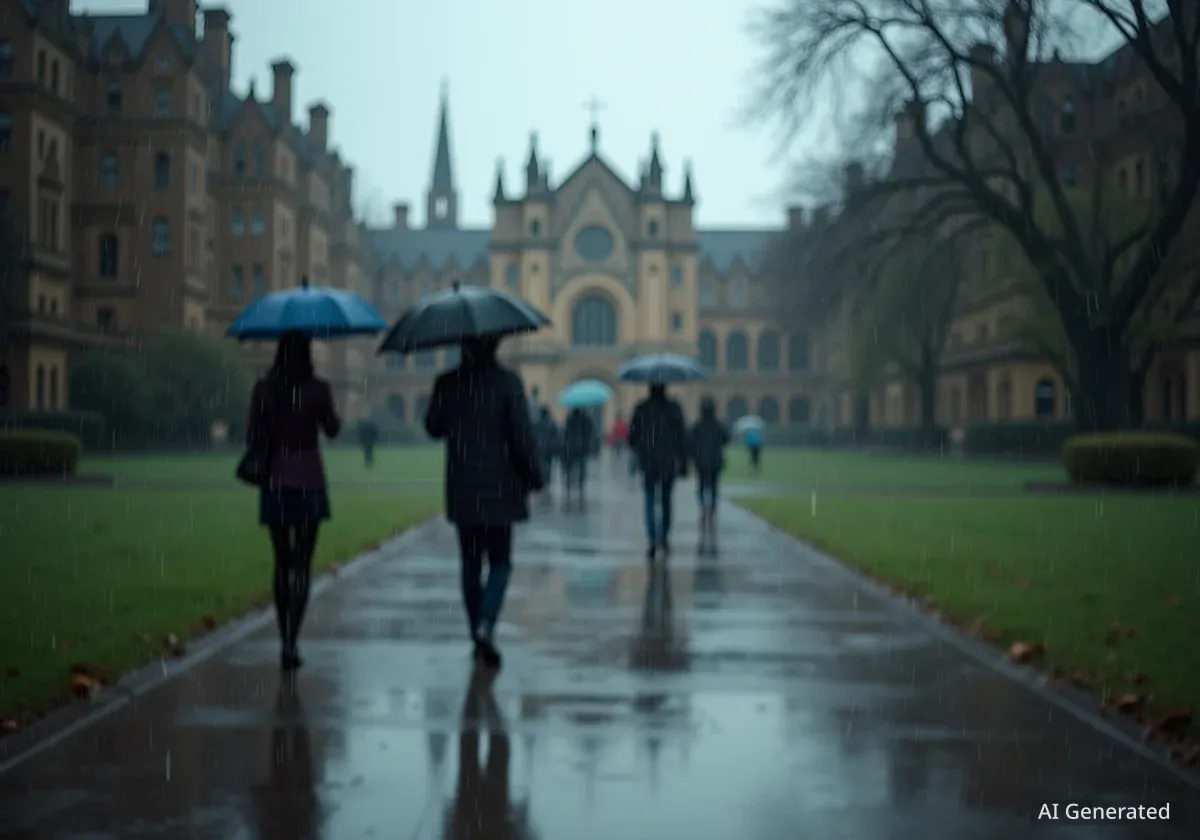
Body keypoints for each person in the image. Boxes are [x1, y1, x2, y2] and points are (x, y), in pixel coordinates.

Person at [425, 335, 543, 670]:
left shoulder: (448, 383)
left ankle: (476, 629)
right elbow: (522, 436)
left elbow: (433, 427)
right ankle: (486, 624)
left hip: (464, 484)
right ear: (495, 346)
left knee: (471, 564)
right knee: (501, 562)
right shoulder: (508, 383)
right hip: (501, 486)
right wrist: (534, 476)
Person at [246, 331, 341, 670]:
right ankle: (291, 642)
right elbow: (332, 430)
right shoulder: (317, 389)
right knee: (302, 564)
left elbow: (252, 436)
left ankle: (282, 634)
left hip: (276, 480)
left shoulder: (264, 389)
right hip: (309, 481)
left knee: (281, 560)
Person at [628, 383, 688, 559]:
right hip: (668, 462)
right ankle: (664, 537)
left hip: (648, 461)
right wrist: (683, 462)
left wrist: (642, 447)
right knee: (666, 500)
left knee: (649, 499)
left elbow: (632, 437)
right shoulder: (674, 409)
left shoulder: (641, 408)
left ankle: (653, 538)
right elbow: (681, 439)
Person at [689, 398, 730, 539]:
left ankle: (703, 509)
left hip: (701, 462)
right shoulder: (718, 425)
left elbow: (690, 442)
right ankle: (711, 511)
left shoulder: (697, 426)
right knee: (713, 486)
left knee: (701, 485)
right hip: (715, 462)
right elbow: (726, 439)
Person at [560, 407, 596, 501]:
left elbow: (565, 432)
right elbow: (590, 432)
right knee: (582, 465)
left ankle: (568, 481)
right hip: (582, 447)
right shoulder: (586, 419)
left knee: (569, 465)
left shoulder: (569, 419)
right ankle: (580, 483)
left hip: (571, 447)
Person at [533, 406, 560, 493]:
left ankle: (542, 481)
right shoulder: (552, 423)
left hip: (540, 448)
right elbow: (556, 436)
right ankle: (547, 481)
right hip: (549, 448)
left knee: (541, 464)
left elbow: (534, 435)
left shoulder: (536, 423)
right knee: (549, 465)